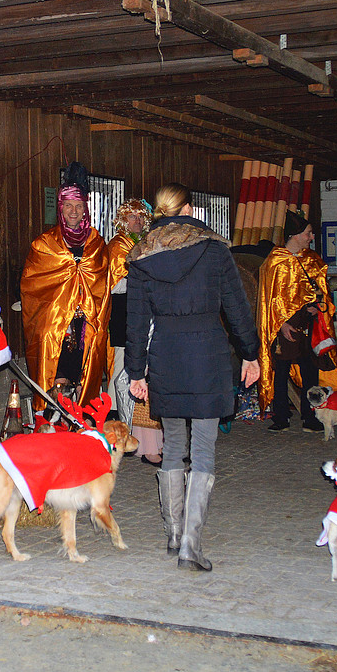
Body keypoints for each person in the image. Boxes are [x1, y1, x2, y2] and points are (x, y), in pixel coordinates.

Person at [126, 184, 260, 573]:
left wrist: (136, 371)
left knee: (172, 447)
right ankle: (191, 545)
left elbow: (137, 321)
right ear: (188, 208)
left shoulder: (142, 255)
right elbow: (237, 307)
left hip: (165, 354)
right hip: (207, 355)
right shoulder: (214, 249)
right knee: (203, 449)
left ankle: (172, 533)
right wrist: (251, 353)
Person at [21, 162, 110, 406]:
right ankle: (53, 424)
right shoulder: (45, 244)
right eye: (69, 205)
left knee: (81, 375)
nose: (74, 211)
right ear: (61, 208)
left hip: (86, 325)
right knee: (56, 377)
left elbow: (104, 284)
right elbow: (32, 288)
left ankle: (79, 427)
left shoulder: (96, 244)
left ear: (85, 209)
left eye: (79, 206)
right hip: (56, 326)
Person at [257, 210, 337, 433]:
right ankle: (281, 416)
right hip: (284, 325)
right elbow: (269, 298)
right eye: (308, 233)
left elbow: (324, 290)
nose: (311, 237)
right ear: (295, 235)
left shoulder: (313, 260)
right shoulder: (275, 261)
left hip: (309, 324)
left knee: (310, 370)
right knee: (281, 371)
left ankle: (310, 417)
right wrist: (281, 324)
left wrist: (319, 305)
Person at [105, 198, 162, 464]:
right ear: (123, 220)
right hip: (123, 314)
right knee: (121, 369)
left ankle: (130, 428)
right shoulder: (118, 245)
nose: (137, 222)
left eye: (141, 218)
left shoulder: (144, 243)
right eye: (132, 218)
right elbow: (116, 283)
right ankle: (116, 425)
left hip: (140, 313)